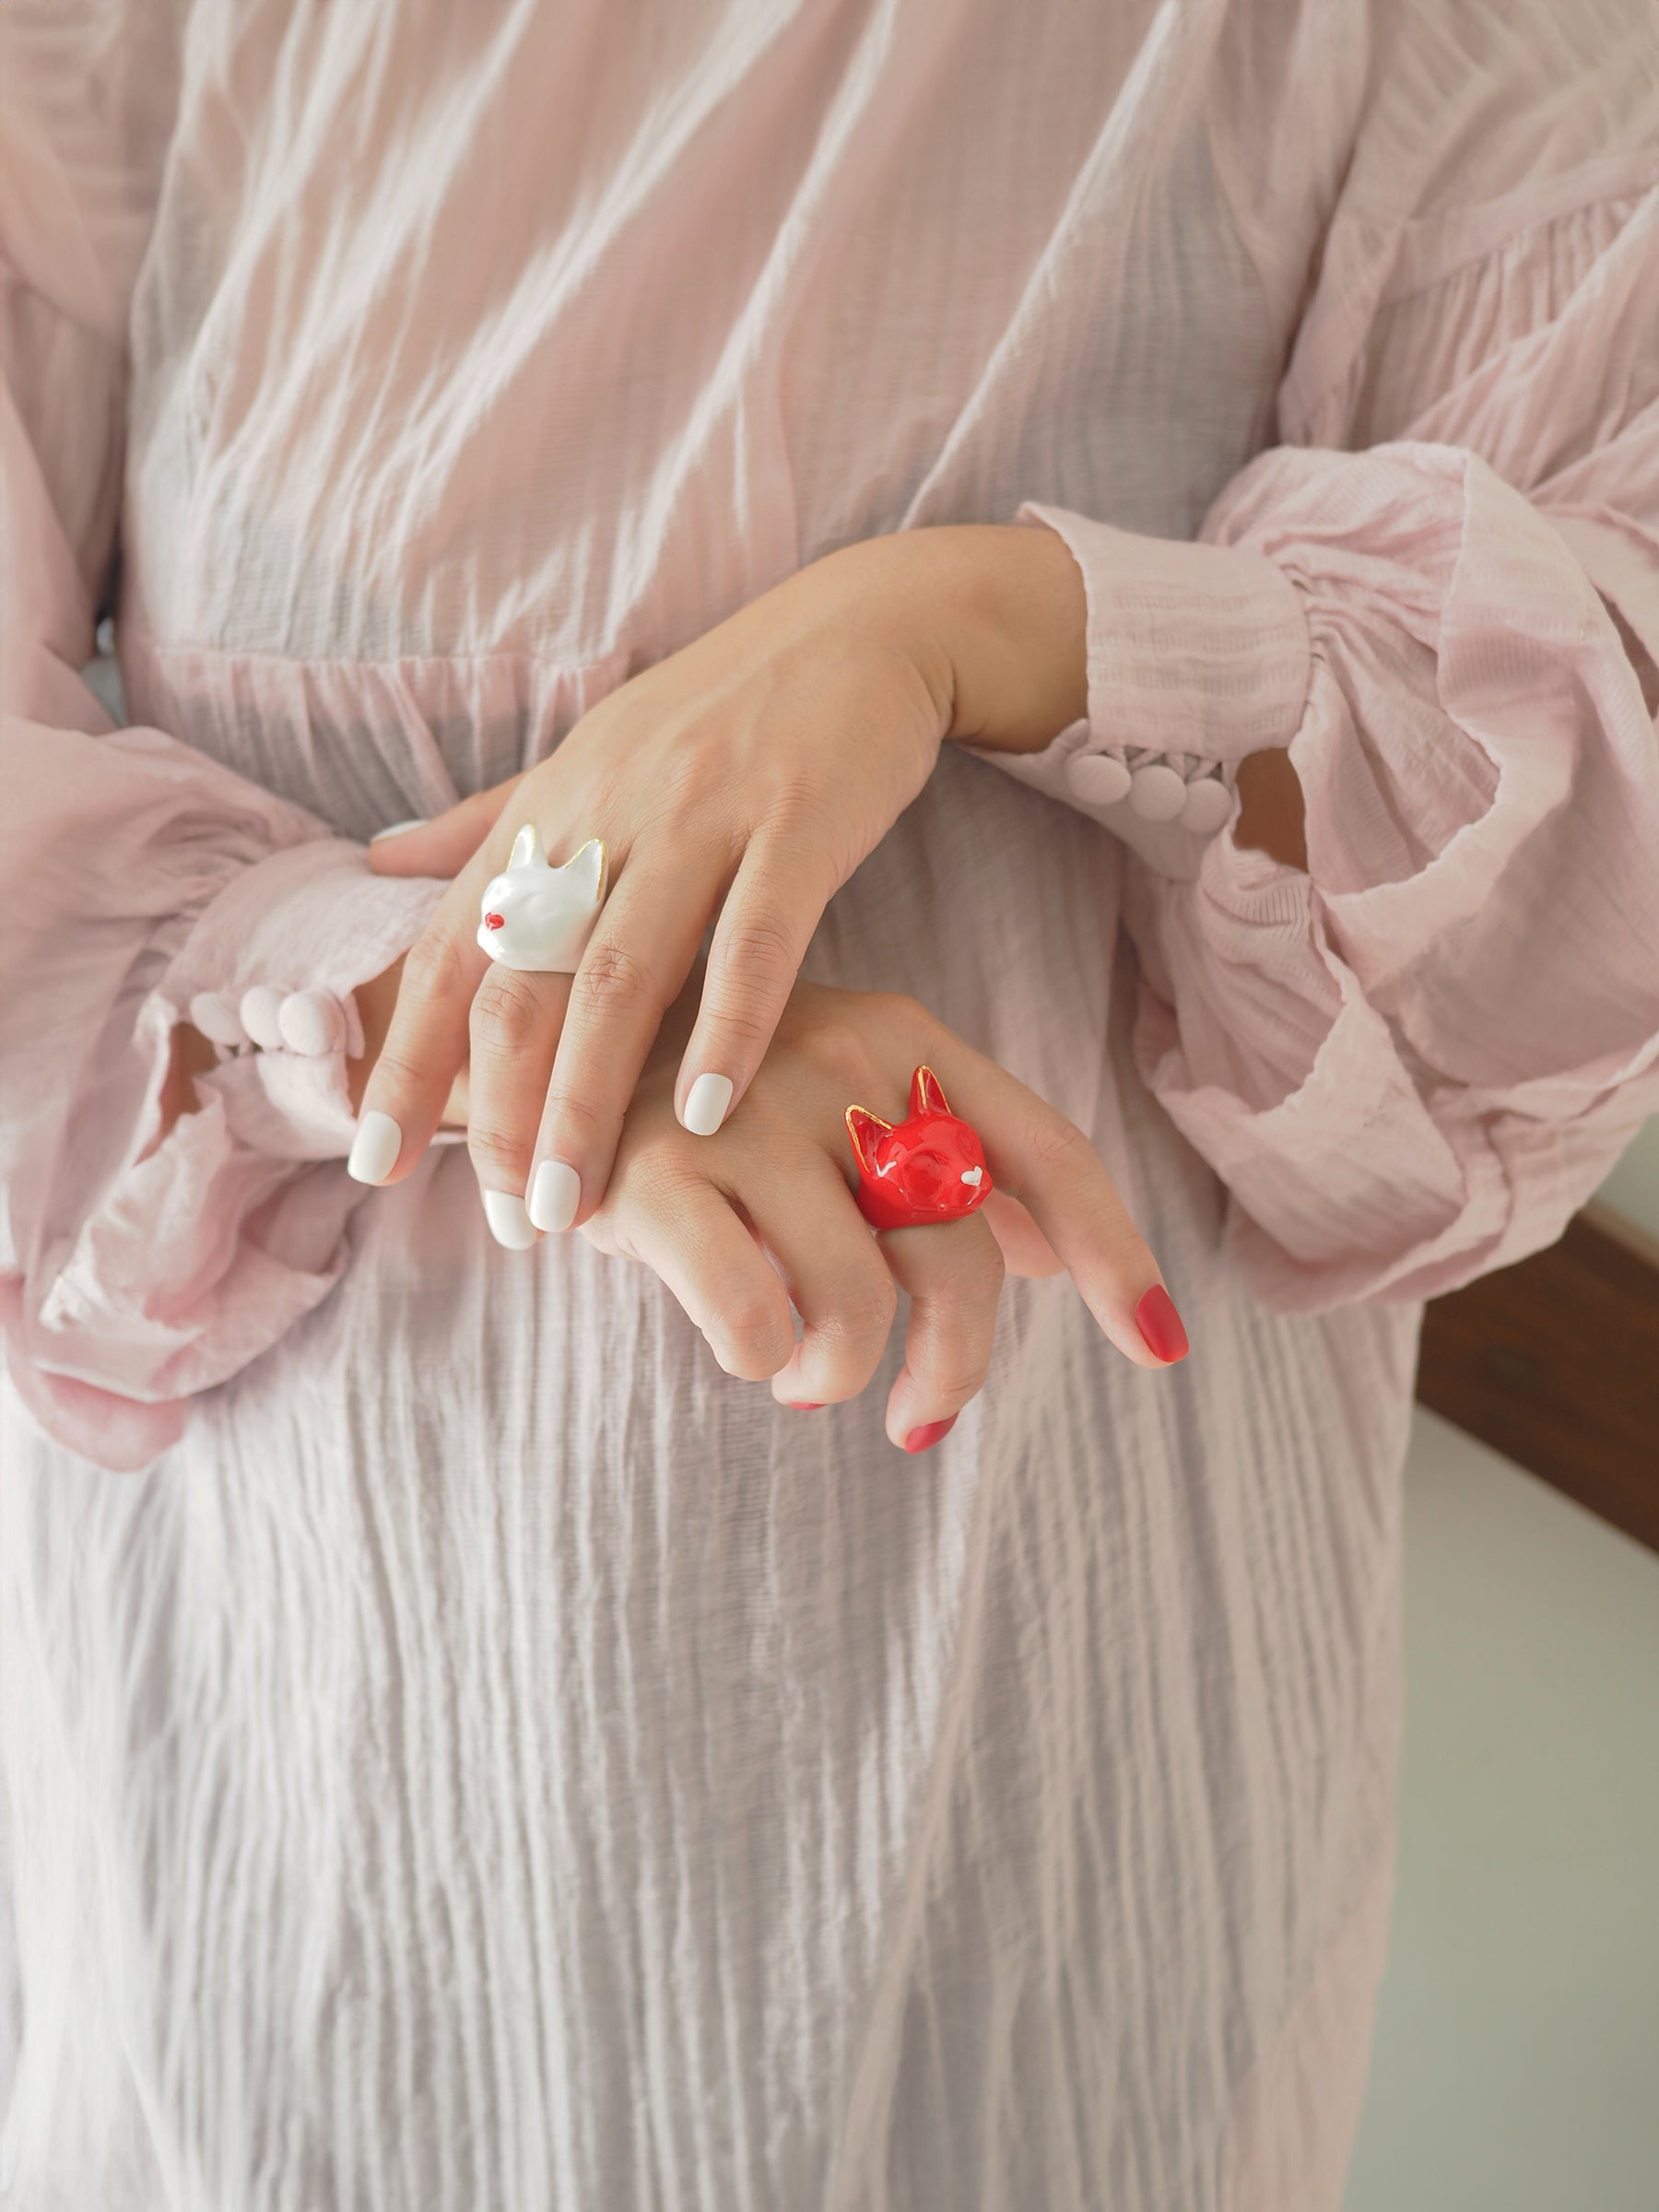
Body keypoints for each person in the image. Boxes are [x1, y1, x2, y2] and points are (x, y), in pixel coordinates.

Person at [2, 1, 1655, 2204]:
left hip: (1065, 1903)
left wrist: (960, 628)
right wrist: (478, 1000)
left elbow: (1583, 829)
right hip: (296, 1895)